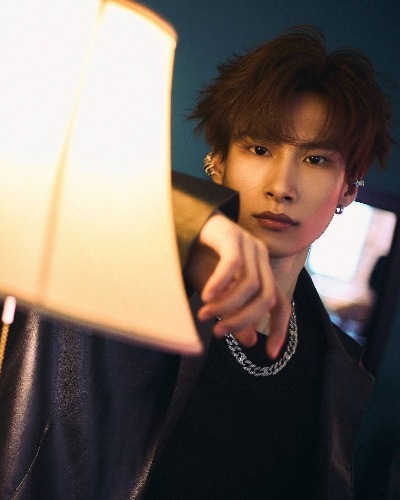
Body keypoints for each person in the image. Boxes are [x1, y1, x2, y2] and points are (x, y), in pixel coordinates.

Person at [0, 25, 393, 500]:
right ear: (218, 162)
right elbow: (54, 194)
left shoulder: (336, 364)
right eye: (260, 149)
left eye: (315, 160)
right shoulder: (129, 287)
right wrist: (195, 222)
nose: (281, 186)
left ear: (348, 188)